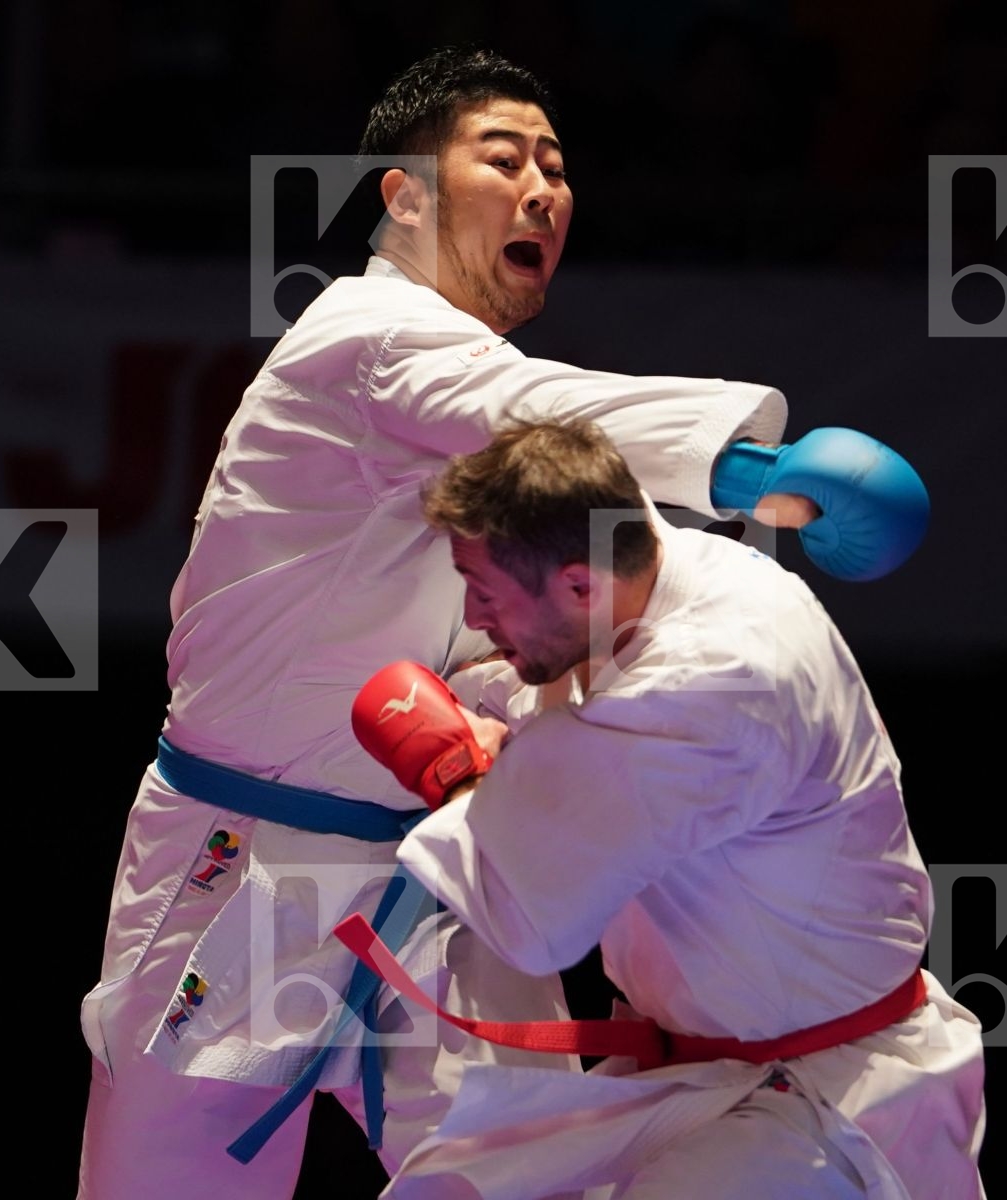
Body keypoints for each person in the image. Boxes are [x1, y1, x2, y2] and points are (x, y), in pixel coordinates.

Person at [77, 46, 929, 1197]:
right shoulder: (368, 339)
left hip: (430, 878)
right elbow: (542, 414)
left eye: (557, 166)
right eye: (505, 158)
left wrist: (503, 726)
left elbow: (524, 601)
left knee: (525, 1182)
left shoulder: (455, 405)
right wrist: (754, 470)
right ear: (406, 193)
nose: (543, 188)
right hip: (245, 873)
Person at [346, 417, 985, 1198]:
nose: (474, 619)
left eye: (484, 594)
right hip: (710, 1072)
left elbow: (524, 912)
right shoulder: (673, 574)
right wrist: (499, 706)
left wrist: (455, 767)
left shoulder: (714, 680)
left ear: (580, 582)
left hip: (823, 1102)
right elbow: (574, 707)